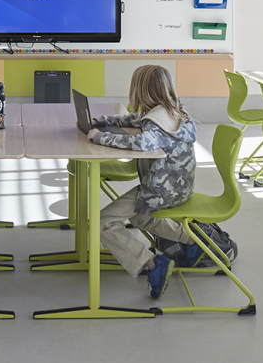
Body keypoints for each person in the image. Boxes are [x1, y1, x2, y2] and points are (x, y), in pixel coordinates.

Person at [86, 65, 201, 299]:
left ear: (140, 90)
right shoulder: (171, 111)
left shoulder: (155, 121)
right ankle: (190, 241)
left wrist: (100, 137)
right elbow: (135, 119)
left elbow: (141, 144)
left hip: (163, 190)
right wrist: (102, 121)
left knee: (102, 221)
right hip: (179, 186)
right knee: (139, 214)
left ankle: (152, 263)